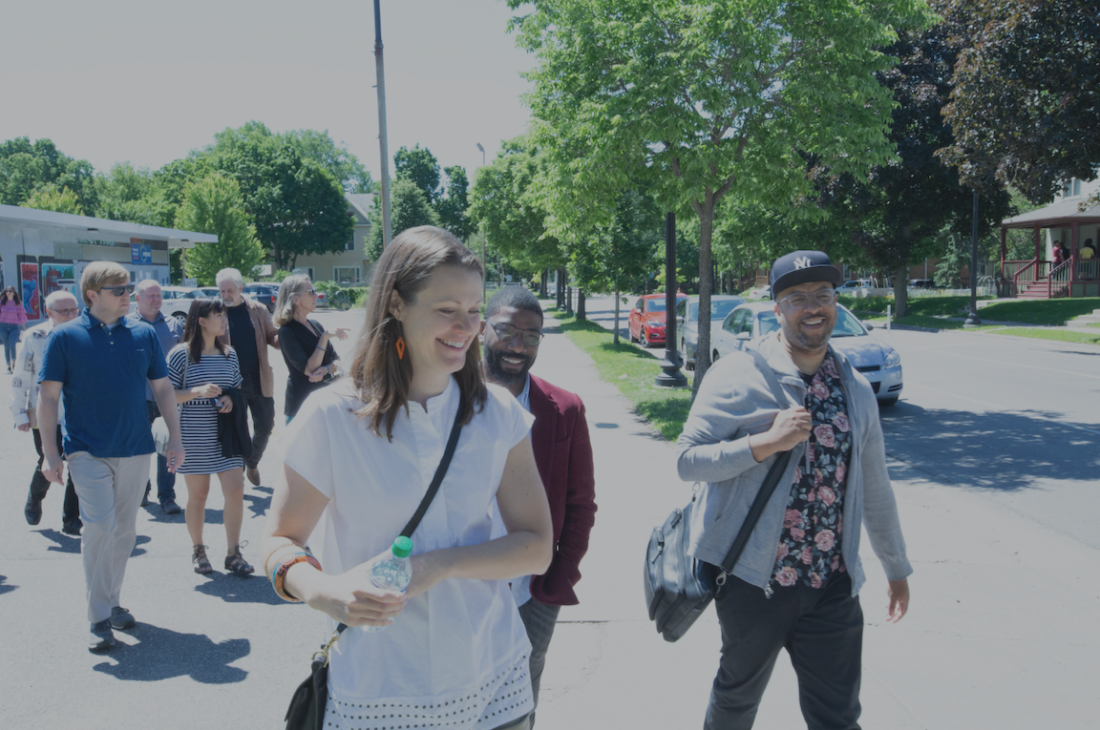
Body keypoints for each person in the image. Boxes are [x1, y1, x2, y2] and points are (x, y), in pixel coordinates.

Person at [261, 226, 554, 730]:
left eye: (475, 310)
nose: (467, 327)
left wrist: (437, 565)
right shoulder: (333, 416)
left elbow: (537, 546)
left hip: (492, 679)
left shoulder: (496, 412)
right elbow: (279, 543)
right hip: (379, 684)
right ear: (396, 304)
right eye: (447, 310)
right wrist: (321, 591)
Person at [676, 250, 912, 730]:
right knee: (735, 704)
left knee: (839, 715)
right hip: (752, 580)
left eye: (823, 295)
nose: (813, 307)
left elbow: (875, 487)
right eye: (798, 297)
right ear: (778, 307)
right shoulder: (739, 375)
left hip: (832, 583)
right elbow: (687, 461)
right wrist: (763, 444)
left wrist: (896, 567)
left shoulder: (853, 388)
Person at [38, 261, 185, 652]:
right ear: (92, 295)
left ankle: (111, 600)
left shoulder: (143, 335)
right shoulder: (65, 337)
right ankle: (98, 617)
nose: (126, 295)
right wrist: (50, 453)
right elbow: (48, 397)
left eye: (127, 288)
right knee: (99, 526)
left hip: (135, 446)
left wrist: (176, 437)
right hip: (86, 449)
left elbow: (164, 389)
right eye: (118, 289)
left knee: (124, 531)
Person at [482, 286, 596, 727]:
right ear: (481, 329)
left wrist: (557, 577)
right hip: (456, 588)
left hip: (531, 593)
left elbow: (581, 503)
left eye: (531, 337)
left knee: (518, 710)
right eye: (507, 331)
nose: (518, 346)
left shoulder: (564, 409)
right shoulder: (444, 398)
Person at [168, 297, 253, 576]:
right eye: (218, 315)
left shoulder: (229, 353)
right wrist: (196, 391)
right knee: (199, 496)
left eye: (224, 315)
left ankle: (233, 553)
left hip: (226, 436)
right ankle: (198, 549)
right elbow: (166, 395)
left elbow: (237, 387)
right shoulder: (181, 354)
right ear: (201, 321)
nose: (224, 320)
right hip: (193, 436)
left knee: (236, 491)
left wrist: (230, 398)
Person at [11, 290, 82, 534]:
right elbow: (21, 376)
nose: (71, 315)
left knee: (79, 464)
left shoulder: (85, 334)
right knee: (48, 460)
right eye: (64, 311)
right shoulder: (35, 336)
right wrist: (20, 414)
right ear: (48, 312)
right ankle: (35, 498)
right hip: (46, 414)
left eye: (74, 310)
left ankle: (71, 518)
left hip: (78, 412)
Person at [217, 268, 279, 487]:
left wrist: (282, 338)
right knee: (236, 431)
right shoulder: (215, 312)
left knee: (266, 425)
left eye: (230, 290)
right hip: (232, 384)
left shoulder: (258, 309)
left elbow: (272, 334)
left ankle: (252, 462)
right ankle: (237, 476)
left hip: (259, 378)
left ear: (240, 288)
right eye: (222, 290)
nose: (225, 295)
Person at [126, 280, 184, 514]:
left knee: (167, 447)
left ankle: (167, 496)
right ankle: (141, 490)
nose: (156, 299)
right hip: (136, 398)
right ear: (137, 298)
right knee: (138, 449)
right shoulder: (125, 325)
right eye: (150, 295)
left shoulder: (174, 325)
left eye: (158, 295)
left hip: (166, 398)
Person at [272, 274, 349, 421]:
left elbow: (337, 361)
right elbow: (309, 369)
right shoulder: (286, 332)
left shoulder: (316, 324)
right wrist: (324, 338)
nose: (317, 295)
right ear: (295, 299)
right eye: (311, 292)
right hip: (301, 407)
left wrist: (326, 369)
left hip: (325, 402)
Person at [1, 284, 28, 372]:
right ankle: (8, 365)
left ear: (13, 293)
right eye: (7, 291)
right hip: (3, 326)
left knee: (12, 344)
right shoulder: (2, 302)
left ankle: (14, 362)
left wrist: (24, 329)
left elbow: (22, 316)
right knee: (6, 346)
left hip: (14, 327)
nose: (8, 293)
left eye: (10, 291)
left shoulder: (18, 304)